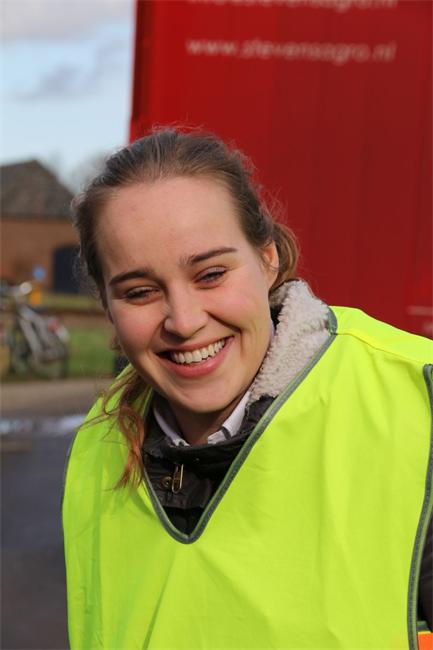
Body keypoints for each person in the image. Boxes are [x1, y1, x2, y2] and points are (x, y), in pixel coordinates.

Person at [63, 128, 432, 650]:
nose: (184, 321)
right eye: (140, 292)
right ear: (107, 304)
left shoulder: (418, 403)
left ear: (267, 258)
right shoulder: (97, 446)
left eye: (211, 274)